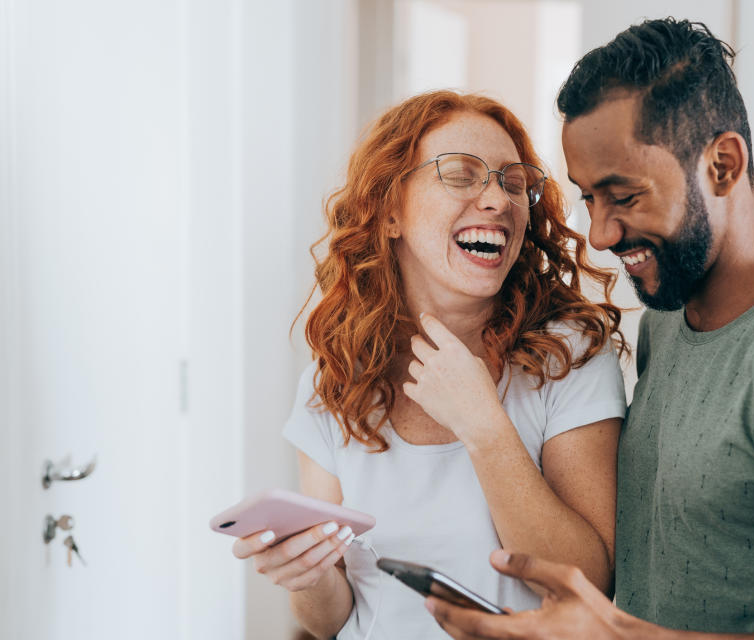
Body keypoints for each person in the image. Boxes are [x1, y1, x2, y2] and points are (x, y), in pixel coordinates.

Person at [427, 18, 754, 639]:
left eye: (623, 196)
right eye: (589, 198)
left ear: (723, 165)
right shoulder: (668, 319)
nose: (600, 234)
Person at [231, 90, 628, 640]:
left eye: (514, 182)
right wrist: (306, 577)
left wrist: (484, 427)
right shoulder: (334, 382)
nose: (499, 200)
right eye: (462, 175)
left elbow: (586, 583)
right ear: (390, 212)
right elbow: (330, 621)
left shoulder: (568, 355)